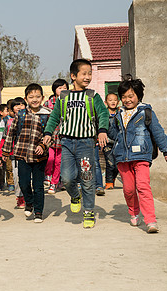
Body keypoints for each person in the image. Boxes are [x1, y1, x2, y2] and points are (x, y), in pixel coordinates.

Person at [43, 59, 109, 229]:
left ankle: (88, 211)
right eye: (84, 73)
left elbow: (103, 114)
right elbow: (54, 117)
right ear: (73, 76)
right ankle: (75, 196)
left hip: (86, 144)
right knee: (66, 178)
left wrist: (102, 130)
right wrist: (48, 133)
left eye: (90, 73)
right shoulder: (63, 97)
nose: (88, 77)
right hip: (66, 143)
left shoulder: (93, 96)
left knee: (87, 179)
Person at [108, 75, 167, 233]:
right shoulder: (118, 115)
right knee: (129, 189)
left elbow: (157, 131)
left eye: (131, 96)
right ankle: (134, 212)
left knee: (143, 186)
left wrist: (166, 149)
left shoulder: (146, 112)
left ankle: (150, 220)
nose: (127, 100)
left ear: (138, 96)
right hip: (122, 157)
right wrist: (107, 121)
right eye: (124, 97)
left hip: (142, 156)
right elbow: (113, 134)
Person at [3, 84, 51, 223]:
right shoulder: (21, 114)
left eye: (37, 97)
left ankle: (38, 211)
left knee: (38, 185)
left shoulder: (47, 114)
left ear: (42, 98)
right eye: (31, 97)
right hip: (22, 154)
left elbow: (52, 134)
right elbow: (11, 132)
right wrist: (5, 151)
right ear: (26, 99)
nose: (34, 99)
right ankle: (29, 202)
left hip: (39, 157)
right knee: (23, 183)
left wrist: (43, 145)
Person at [0, 97, 26, 208]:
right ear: (12, 109)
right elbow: (4, 138)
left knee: (28, 178)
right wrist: (2, 154)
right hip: (15, 155)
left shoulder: (31, 118)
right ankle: (20, 198)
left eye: (22, 104)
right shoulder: (9, 122)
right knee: (17, 177)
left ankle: (28, 197)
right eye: (16, 105)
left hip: (29, 154)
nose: (19, 107)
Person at [44, 79, 69, 194]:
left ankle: (54, 184)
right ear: (54, 90)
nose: (62, 90)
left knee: (59, 161)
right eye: (60, 88)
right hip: (50, 136)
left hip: (63, 136)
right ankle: (48, 176)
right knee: (50, 158)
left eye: (65, 88)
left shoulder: (70, 102)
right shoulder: (48, 103)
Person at [103, 93, 120, 190]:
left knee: (118, 164)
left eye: (115, 100)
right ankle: (108, 182)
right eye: (110, 100)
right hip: (107, 143)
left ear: (118, 102)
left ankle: (113, 178)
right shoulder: (104, 114)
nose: (113, 102)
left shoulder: (120, 113)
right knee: (110, 163)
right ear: (106, 102)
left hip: (119, 143)